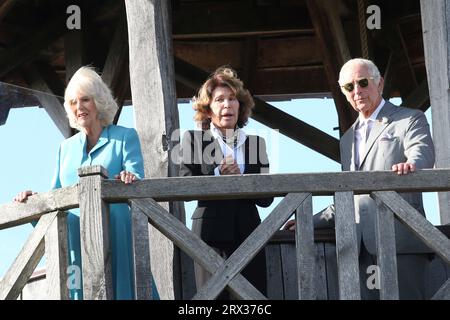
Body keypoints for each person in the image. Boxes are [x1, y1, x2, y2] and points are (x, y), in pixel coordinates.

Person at [285, 58, 435, 299]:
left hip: (400, 241)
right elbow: (351, 195)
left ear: (380, 83)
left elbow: (422, 153)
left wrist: (412, 165)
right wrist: (309, 221)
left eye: (363, 82)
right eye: (349, 87)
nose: (357, 91)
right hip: (357, 247)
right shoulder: (347, 139)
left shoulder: (409, 119)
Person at [14, 66, 159, 300]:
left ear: (98, 102)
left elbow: (137, 178)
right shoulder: (65, 149)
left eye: (85, 100)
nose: (79, 107)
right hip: (75, 238)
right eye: (73, 102)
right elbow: (54, 200)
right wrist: (31, 202)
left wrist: (129, 178)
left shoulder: (124, 137)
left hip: (117, 233)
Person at [179, 66, 273, 299]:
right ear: (208, 109)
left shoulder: (256, 143)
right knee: (214, 300)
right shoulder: (193, 139)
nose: (227, 105)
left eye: (232, 99)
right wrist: (218, 175)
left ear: (240, 107)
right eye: (219, 99)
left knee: (251, 300)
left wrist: (241, 181)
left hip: (250, 234)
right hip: (209, 236)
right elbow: (185, 186)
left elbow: (266, 198)